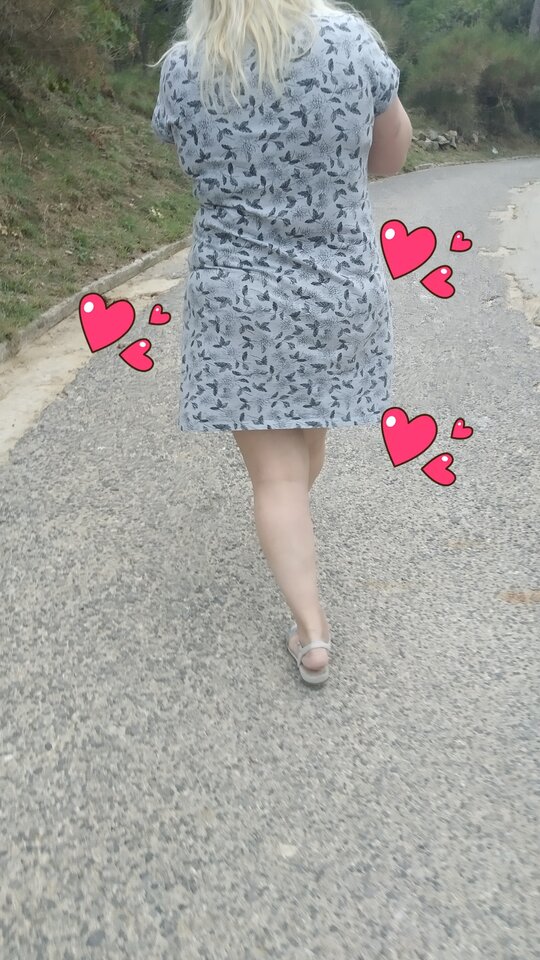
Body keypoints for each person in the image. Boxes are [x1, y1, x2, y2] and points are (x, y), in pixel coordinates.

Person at [151, 0, 412, 686]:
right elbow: (390, 158)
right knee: (301, 450)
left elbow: (194, 166)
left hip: (237, 298)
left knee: (276, 476)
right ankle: (293, 547)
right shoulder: (351, 42)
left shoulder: (186, 66)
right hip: (337, 290)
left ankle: (312, 631)